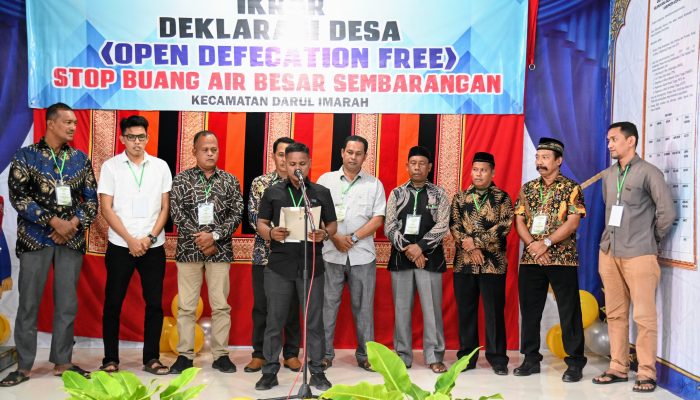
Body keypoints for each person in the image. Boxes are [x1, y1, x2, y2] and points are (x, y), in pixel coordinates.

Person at [2, 103, 97, 387]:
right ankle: (24, 367)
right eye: (68, 122)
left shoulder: (79, 159)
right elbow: (19, 197)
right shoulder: (26, 156)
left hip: (71, 240)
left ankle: (63, 362)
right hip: (35, 239)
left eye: (75, 123)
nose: (73, 127)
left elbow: (91, 201)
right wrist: (53, 222)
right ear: (51, 123)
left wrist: (71, 225)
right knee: (29, 303)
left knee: (67, 303)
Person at [592, 122, 675, 393]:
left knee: (643, 316)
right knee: (615, 314)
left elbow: (667, 213)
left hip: (639, 253)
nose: (609, 145)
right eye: (608, 140)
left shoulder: (649, 172)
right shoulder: (608, 175)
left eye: (614, 139)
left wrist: (651, 239)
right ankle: (618, 367)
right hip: (609, 253)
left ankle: (646, 372)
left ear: (631, 141)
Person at [254, 142, 337, 391]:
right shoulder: (273, 192)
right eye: (292, 164)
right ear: (284, 163)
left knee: (314, 322)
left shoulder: (321, 192)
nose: (296, 168)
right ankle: (269, 371)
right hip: (279, 266)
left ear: (309, 164)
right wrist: (271, 233)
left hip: (312, 266)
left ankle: (317, 372)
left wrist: (324, 233)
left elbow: (332, 224)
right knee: (274, 320)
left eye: (302, 163)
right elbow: (261, 223)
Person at [97, 115, 172, 375]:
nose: (136, 142)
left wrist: (149, 238)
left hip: (153, 246)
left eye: (141, 137)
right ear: (122, 139)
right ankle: (110, 359)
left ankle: (152, 358)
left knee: (154, 304)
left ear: (148, 138)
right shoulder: (111, 167)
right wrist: (130, 240)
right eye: (131, 137)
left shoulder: (160, 166)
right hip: (121, 244)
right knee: (113, 303)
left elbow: (165, 207)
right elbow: (106, 208)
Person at [513, 137, 587, 382]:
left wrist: (545, 243)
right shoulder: (528, 188)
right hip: (531, 259)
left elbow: (573, 222)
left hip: (562, 258)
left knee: (569, 310)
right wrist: (533, 246)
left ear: (559, 161)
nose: (540, 162)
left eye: (545, 157)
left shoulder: (571, 188)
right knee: (530, 310)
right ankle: (530, 358)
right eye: (537, 157)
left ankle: (575, 362)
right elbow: (519, 220)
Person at [169, 130, 243, 374]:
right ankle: (184, 356)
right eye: (205, 150)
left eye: (214, 149)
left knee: (221, 305)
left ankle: (221, 355)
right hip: (188, 250)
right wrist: (201, 239)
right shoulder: (181, 180)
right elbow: (176, 213)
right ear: (194, 151)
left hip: (219, 251)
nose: (210, 153)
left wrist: (215, 237)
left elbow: (236, 214)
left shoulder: (229, 180)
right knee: (186, 306)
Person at [317, 136, 386, 372]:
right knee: (327, 306)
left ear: (365, 156)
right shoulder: (325, 180)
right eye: (350, 152)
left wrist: (353, 238)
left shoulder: (374, 184)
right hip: (331, 253)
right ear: (342, 153)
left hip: (362, 255)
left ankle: (366, 355)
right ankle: (324, 354)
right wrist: (335, 237)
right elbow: (316, 214)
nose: (353, 157)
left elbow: (378, 218)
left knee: (364, 307)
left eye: (358, 153)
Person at [384, 146, 450, 373]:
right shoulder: (397, 193)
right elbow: (389, 226)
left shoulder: (439, 194)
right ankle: (402, 356)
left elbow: (443, 225)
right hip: (401, 258)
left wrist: (420, 248)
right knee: (401, 310)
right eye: (413, 163)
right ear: (407, 166)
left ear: (429, 167)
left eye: (422, 163)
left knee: (432, 311)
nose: (417, 167)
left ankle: (434, 356)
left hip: (429, 259)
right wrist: (408, 249)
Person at [450, 152, 513, 375]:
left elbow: (504, 227)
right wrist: (472, 248)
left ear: (492, 173)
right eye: (475, 170)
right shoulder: (460, 198)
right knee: (466, 312)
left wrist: (476, 243)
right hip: (464, 264)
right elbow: (454, 226)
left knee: (494, 312)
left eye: (483, 170)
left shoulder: (502, 198)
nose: (478, 174)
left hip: (493, 264)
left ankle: (498, 358)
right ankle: (467, 357)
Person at [246, 136, 302, 373]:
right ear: (274, 157)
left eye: (288, 156)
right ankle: (259, 354)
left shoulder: (301, 184)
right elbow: (253, 216)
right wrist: (273, 232)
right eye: (280, 154)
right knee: (262, 307)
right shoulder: (261, 183)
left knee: (292, 307)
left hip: (292, 257)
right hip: (264, 255)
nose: (284, 159)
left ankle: (291, 354)